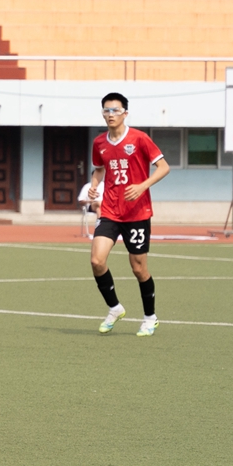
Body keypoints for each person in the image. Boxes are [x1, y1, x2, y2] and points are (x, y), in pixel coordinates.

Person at [86, 92, 171, 337]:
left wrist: (143, 186)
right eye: (106, 110)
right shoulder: (99, 143)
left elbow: (164, 167)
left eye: (115, 110)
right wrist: (94, 185)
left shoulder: (140, 139)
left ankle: (150, 317)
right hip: (111, 210)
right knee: (96, 261)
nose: (110, 114)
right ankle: (114, 308)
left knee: (138, 268)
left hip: (137, 212)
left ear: (125, 113)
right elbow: (99, 170)